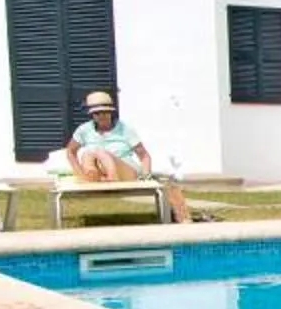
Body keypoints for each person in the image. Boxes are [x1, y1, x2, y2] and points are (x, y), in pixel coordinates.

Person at [63, 90, 190, 222]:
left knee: (101, 152)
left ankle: (113, 178)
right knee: (88, 153)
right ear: (91, 115)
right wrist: (79, 173)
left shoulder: (124, 129)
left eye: (105, 112)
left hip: (125, 169)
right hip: (99, 171)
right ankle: (91, 176)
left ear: (111, 112)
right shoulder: (84, 130)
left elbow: (144, 155)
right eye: (97, 113)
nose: (102, 116)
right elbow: (70, 151)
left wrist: (146, 175)